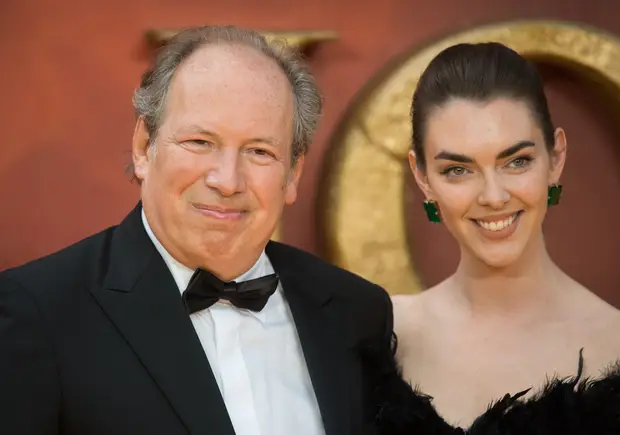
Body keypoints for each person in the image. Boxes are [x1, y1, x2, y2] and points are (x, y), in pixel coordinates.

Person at [0, 25, 393, 435]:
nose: (227, 180)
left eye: (259, 151)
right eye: (200, 142)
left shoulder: (357, 313)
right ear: (143, 147)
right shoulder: (39, 314)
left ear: (292, 173)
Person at [366, 42, 620, 435]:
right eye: (458, 169)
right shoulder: (383, 336)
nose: (493, 196)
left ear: (556, 158)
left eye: (517, 161)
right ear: (422, 177)